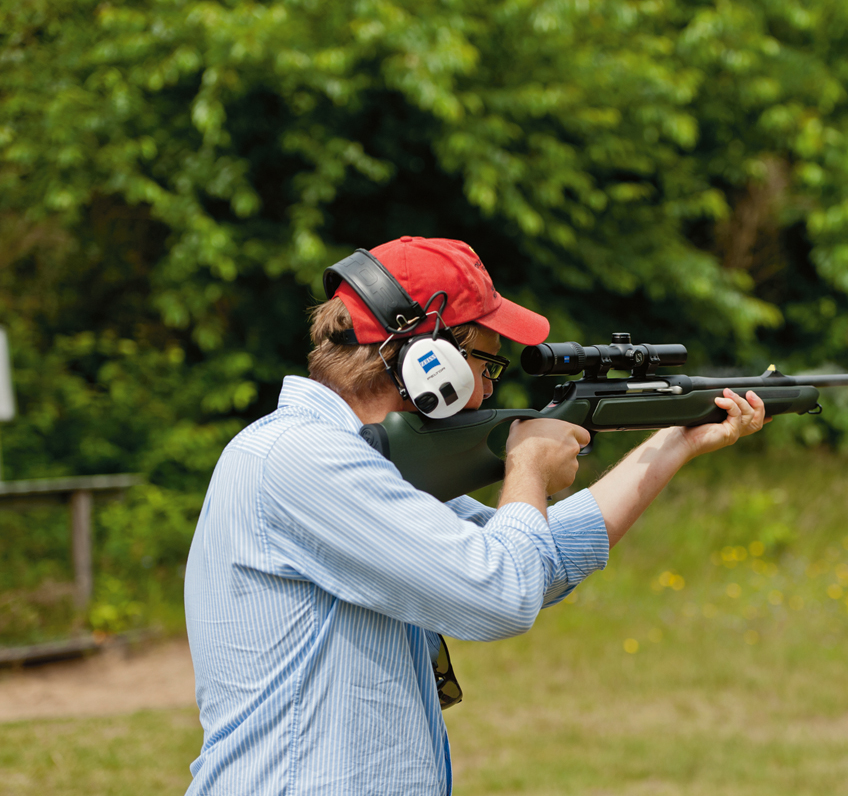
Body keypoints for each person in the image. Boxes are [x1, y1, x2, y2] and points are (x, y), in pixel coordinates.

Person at [184, 236, 767, 794]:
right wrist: (529, 465)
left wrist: (674, 443)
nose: (487, 390)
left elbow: (537, 559)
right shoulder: (304, 460)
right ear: (429, 362)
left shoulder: (350, 464)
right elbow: (501, 592)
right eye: (486, 363)